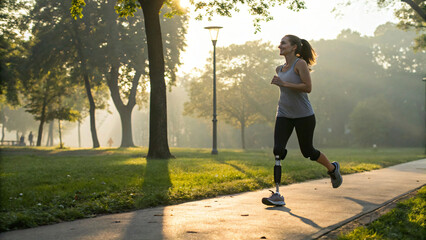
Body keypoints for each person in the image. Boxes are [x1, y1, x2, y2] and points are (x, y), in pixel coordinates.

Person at [262, 35, 342, 206]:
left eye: (283, 43)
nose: (279, 46)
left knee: (307, 151)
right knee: (278, 150)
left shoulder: (300, 64)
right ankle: (277, 194)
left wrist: (283, 84)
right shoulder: (280, 69)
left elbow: (308, 87)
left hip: (304, 115)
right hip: (283, 113)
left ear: (294, 47)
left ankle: (332, 169)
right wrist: (282, 82)